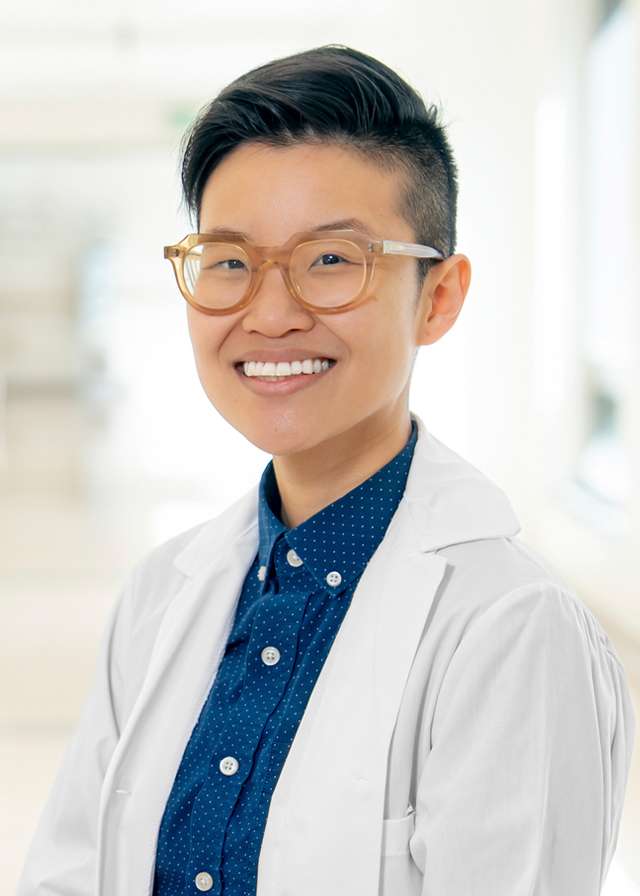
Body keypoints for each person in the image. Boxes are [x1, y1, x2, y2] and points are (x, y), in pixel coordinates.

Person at [17, 44, 636, 896]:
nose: (270, 315)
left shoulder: (511, 632)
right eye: (230, 261)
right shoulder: (163, 595)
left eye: (331, 261)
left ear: (439, 297)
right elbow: (71, 871)